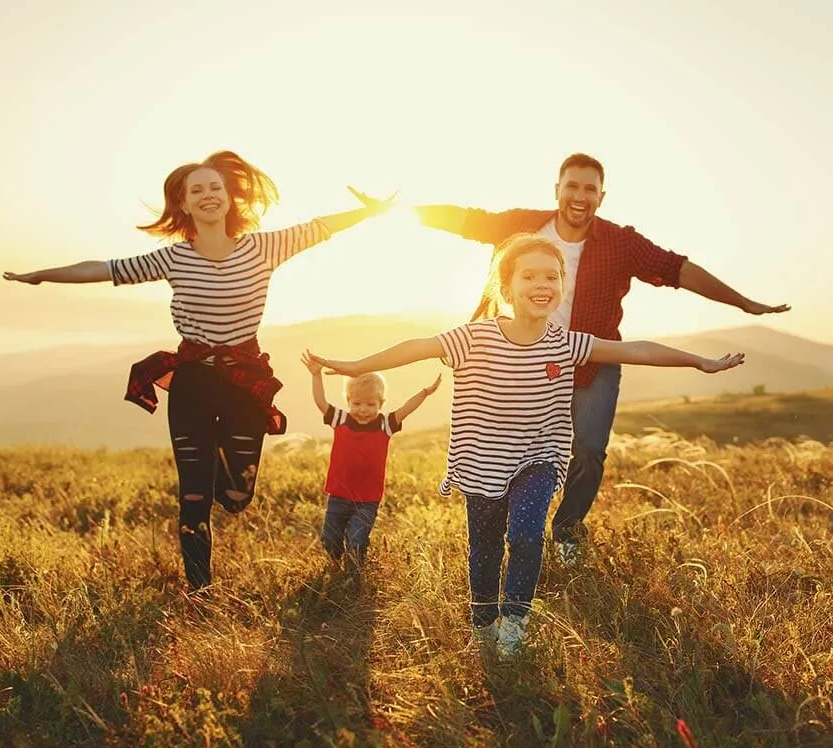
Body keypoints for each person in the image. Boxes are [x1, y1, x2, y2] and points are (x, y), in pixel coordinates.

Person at [306, 233, 744, 656]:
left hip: (539, 459)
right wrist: (354, 366)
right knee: (485, 547)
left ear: (561, 286)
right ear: (507, 286)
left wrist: (699, 361)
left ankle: (515, 622)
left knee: (527, 532)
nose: (542, 284)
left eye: (552, 276)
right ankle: (483, 624)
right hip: (480, 463)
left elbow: (637, 350)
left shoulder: (567, 344)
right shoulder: (473, 338)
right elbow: (416, 347)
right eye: (530, 276)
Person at [350, 152, 789, 564]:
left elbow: (678, 269)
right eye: (572, 187)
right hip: (518, 358)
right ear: (557, 188)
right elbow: (462, 220)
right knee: (510, 449)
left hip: (591, 358)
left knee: (590, 449)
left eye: (590, 189)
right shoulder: (522, 226)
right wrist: (391, 209)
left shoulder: (620, 242)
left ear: (602, 195)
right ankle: (507, 526)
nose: (580, 197)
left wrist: (744, 303)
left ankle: (567, 531)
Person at [2, 150, 393, 595]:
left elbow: (320, 227)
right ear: (184, 205)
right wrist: (41, 275)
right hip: (192, 382)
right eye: (196, 190)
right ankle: (199, 590)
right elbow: (103, 269)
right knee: (192, 496)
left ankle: (218, 481)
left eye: (215, 187)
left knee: (237, 495)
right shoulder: (173, 259)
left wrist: (372, 209)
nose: (207, 195)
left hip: (244, 383)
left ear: (229, 198)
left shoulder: (263, 247)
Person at [301, 354, 441, 569]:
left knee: (356, 541)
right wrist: (316, 374)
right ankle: (333, 569)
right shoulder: (340, 419)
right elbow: (321, 402)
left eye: (370, 404)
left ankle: (353, 575)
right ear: (348, 401)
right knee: (330, 540)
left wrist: (424, 393)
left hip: (367, 500)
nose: (363, 409)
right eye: (356, 403)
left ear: (381, 404)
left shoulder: (385, 424)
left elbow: (406, 409)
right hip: (338, 495)